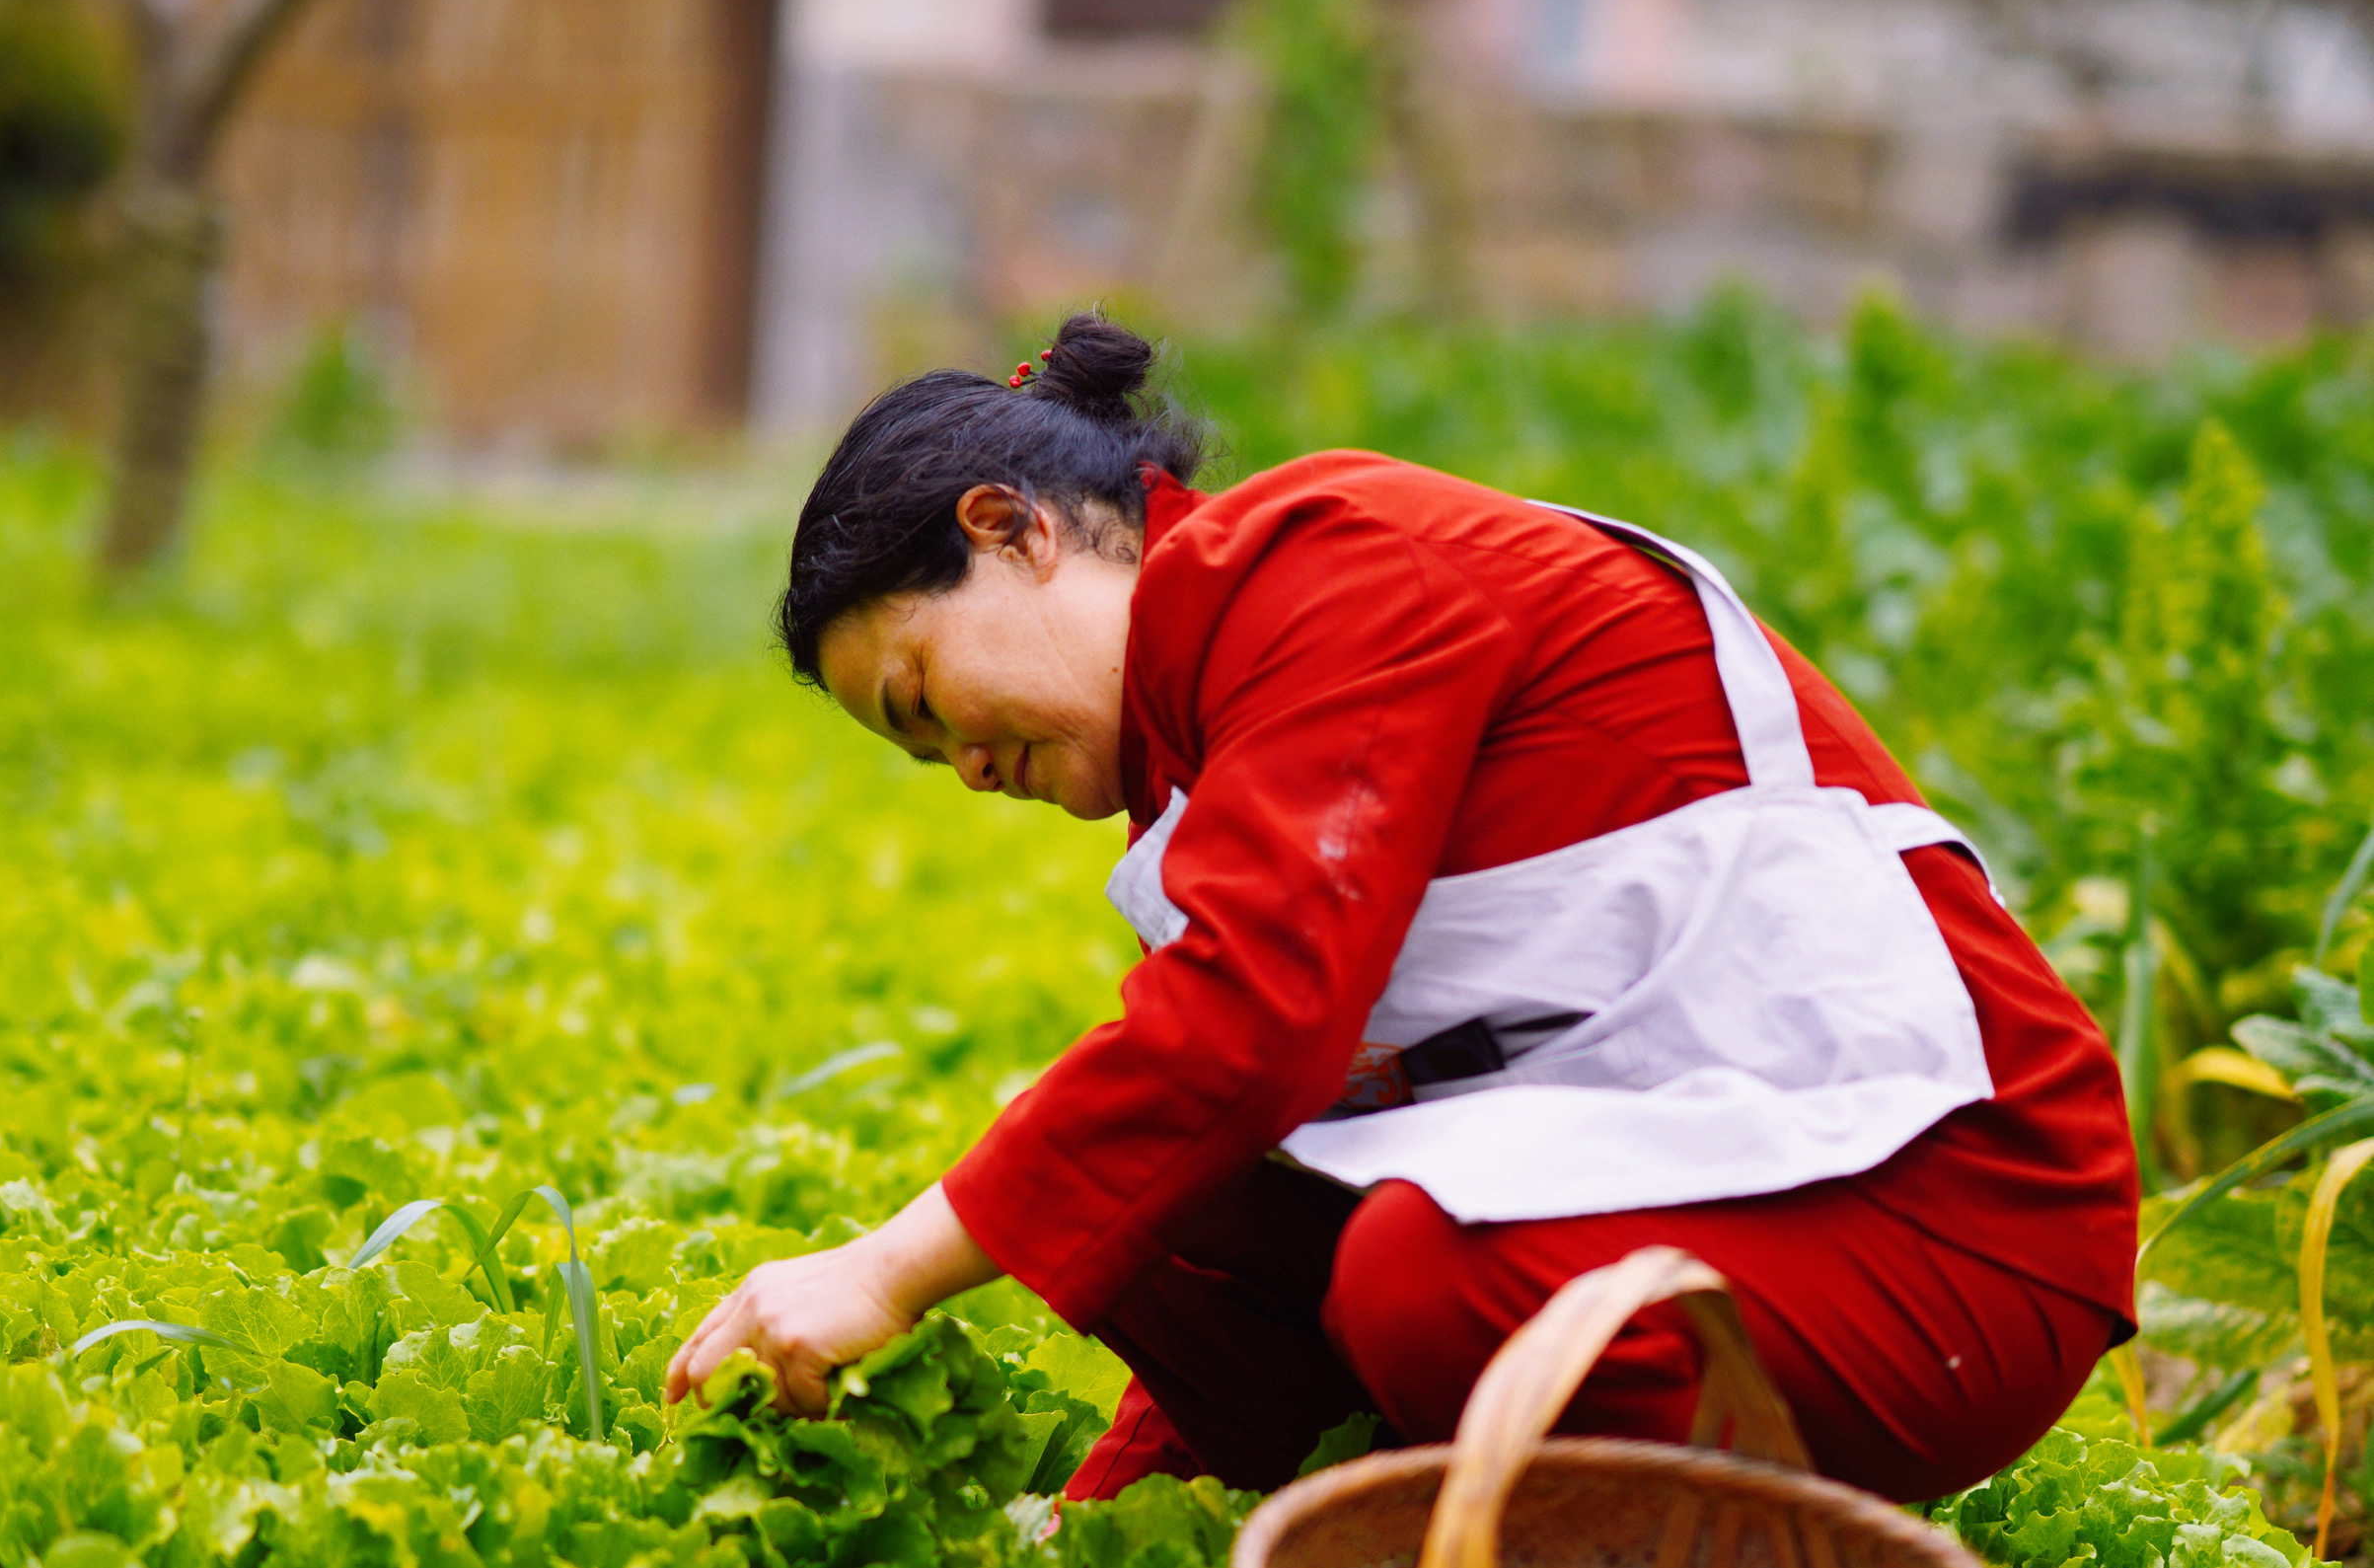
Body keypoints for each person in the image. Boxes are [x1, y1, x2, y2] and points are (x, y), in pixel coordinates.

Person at [665, 312, 2139, 1508]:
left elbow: (1246, 1027)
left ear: (1016, 530)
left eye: (927, 699)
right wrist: (1099, 1528)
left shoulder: (1325, 560)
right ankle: (1398, 1531)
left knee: (1422, 1276)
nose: (969, 770)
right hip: (1754, 1190)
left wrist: (883, 1268)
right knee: (1182, 1205)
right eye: (925, 759)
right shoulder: (1200, 785)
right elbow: (1209, 1125)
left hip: (1959, 1203)